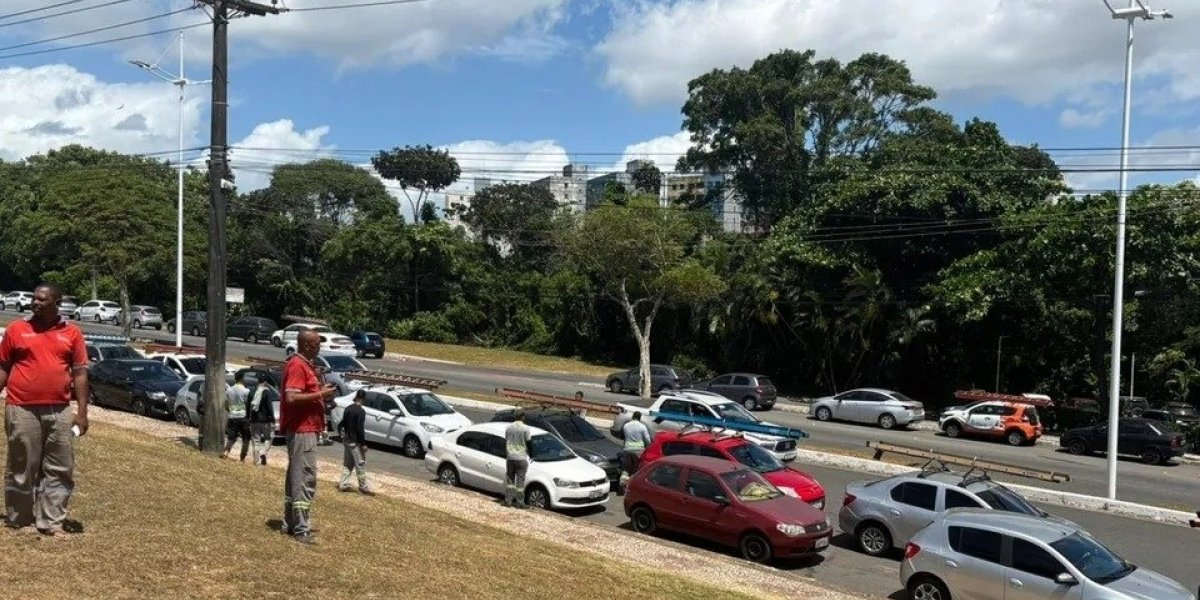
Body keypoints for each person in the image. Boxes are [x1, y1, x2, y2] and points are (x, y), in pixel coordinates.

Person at [0, 283, 89, 536]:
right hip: (21, 407)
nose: (35, 303)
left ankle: (51, 521)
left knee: (60, 466)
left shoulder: (72, 333)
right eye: (34, 298)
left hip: (59, 409)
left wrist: (82, 413)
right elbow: (3, 367)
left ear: (57, 303)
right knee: (22, 465)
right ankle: (20, 518)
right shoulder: (17, 329)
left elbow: (80, 373)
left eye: (42, 300)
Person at [280, 330, 336, 544]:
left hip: (306, 429)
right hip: (302, 430)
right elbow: (291, 397)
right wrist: (321, 394)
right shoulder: (297, 365)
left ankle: (290, 523)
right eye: (316, 344)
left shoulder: (306, 365)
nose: (319, 348)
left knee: (295, 477)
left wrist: (319, 388)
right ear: (305, 345)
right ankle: (301, 529)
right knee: (305, 477)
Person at [337, 390, 373, 495]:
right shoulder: (361, 411)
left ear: (356, 397)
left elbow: (341, 424)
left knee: (348, 464)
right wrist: (363, 443)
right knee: (360, 464)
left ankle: (343, 484)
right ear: (363, 399)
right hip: (355, 442)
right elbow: (359, 429)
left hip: (347, 440)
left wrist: (341, 435)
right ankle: (363, 487)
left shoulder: (348, 408)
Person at [502, 409, 532, 509]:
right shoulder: (526, 428)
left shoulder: (508, 427)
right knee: (520, 482)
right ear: (522, 417)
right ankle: (520, 502)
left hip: (510, 457)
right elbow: (529, 442)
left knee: (510, 480)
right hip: (521, 457)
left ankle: (508, 501)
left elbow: (506, 440)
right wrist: (531, 454)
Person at [619, 411, 652, 493]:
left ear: (633, 416)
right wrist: (647, 447)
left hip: (627, 449)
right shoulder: (642, 427)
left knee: (626, 468)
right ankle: (632, 487)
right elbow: (647, 440)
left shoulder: (626, 425)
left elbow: (623, 436)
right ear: (639, 418)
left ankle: (622, 484)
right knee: (636, 469)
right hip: (639, 450)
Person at [222, 374, 251, 461]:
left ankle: (225, 452)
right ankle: (242, 458)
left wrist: (232, 410)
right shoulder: (246, 391)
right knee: (246, 438)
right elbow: (248, 404)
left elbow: (226, 405)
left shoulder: (229, 390)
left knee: (231, 438)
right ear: (242, 379)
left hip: (232, 417)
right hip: (243, 416)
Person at [248, 379, 276, 466]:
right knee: (268, 438)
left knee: (256, 441)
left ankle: (256, 462)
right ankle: (263, 452)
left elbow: (248, 405)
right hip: (265, 420)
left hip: (254, 420)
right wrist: (272, 419)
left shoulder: (252, 392)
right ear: (265, 382)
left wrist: (248, 418)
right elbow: (269, 407)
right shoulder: (266, 392)